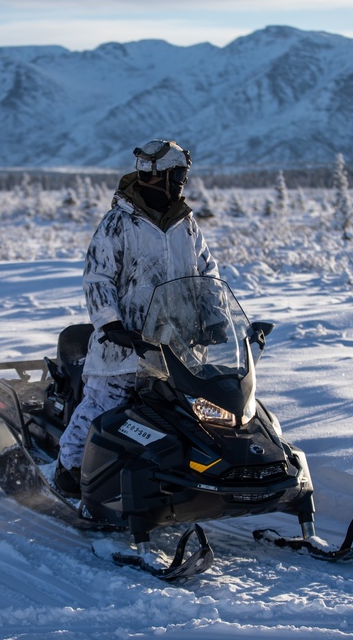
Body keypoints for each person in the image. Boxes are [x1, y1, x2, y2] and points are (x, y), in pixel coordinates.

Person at [54, 139, 219, 496]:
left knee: (186, 413)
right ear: (158, 176)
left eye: (183, 176)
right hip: (126, 344)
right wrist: (110, 325)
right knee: (105, 404)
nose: (181, 182)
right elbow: (98, 276)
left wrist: (214, 316)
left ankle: (177, 474)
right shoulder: (119, 222)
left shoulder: (186, 224)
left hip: (178, 344)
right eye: (177, 175)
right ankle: (69, 468)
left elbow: (207, 272)